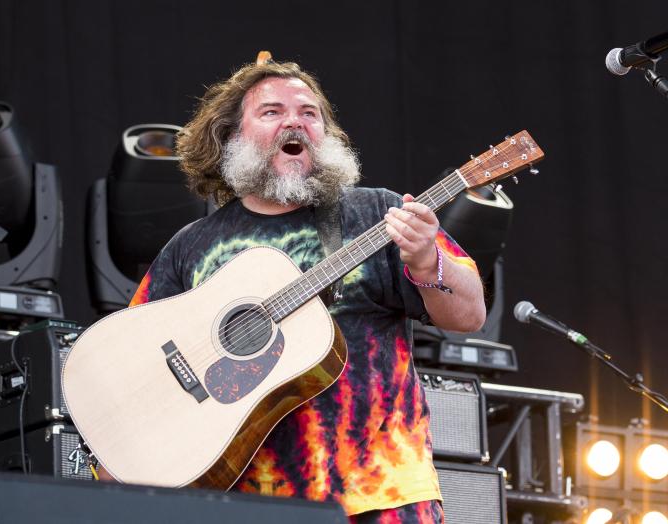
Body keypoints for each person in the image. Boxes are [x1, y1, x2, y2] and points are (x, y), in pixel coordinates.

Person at [126, 59, 486, 523]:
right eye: (272, 111)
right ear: (231, 136)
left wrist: (425, 260)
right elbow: (136, 356)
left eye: (309, 113)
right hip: (236, 503)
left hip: (380, 496)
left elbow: (470, 314)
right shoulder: (192, 245)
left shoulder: (380, 213)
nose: (294, 120)